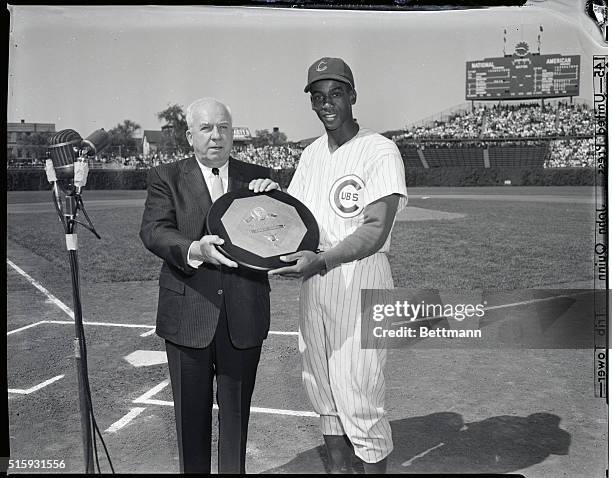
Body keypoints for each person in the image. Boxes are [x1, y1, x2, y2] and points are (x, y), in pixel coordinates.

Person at [269, 57, 408, 474]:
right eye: (318, 96)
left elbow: (376, 229)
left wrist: (321, 262)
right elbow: (293, 219)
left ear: (352, 96)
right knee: (322, 390)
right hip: (318, 279)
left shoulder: (379, 150)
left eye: (335, 94)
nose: (326, 103)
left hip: (361, 277)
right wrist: (268, 196)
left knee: (358, 394)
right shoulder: (311, 154)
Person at [140, 97, 278, 474]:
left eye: (223, 127)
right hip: (188, 314)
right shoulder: (166, 177)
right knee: (190, 423)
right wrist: (194, 249)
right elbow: (154, 231)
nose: (216, 136)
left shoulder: (258, 178)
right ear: (189, 136)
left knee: (236, 421)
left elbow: (279, 236)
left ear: (233, 133)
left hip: (243, 315)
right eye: (206, 128)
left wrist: (274, 200)